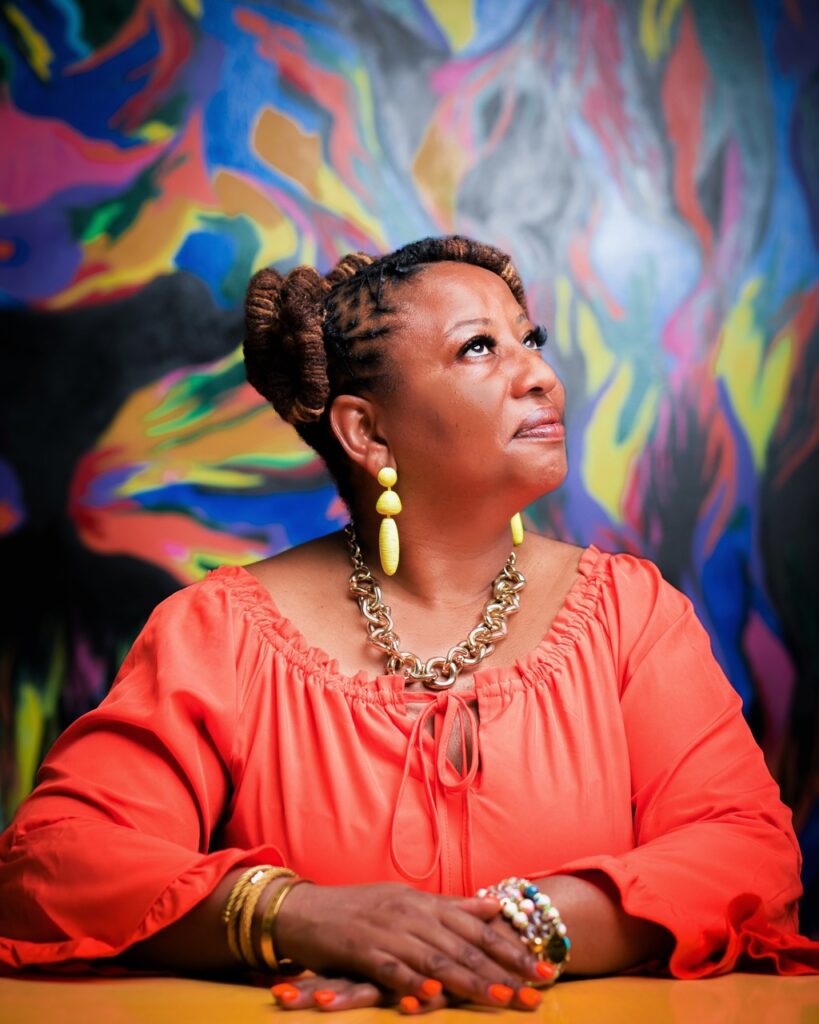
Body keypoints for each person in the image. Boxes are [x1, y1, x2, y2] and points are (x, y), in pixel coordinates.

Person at [0, 236, 817, 1013]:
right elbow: (56, 862)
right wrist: (306, 917)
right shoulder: (218, 632)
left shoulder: (630, 613)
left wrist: (503, 934)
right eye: (478, 349)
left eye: (528, 340)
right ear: (367, 430)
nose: (538, 375)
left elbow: (743, 850)